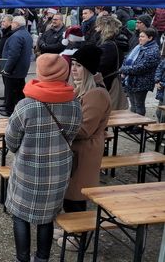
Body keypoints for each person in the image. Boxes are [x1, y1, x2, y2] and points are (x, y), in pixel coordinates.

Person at [5, 53, 82, 262]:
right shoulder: (74, 104)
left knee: (20, 215)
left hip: (27, 171)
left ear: (40, 72)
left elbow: (11, 141)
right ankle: (42, 259)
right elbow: (73, 134)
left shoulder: (26, 105)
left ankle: (23, 259)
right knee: (47, 217)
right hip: (58, 172)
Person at [56, 45, 112, 250]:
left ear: (88, 69)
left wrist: (58, 124)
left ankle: (78, 236)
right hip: (77, 150)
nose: (74, 69)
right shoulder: (84, 88)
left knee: (77, 194)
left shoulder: (96, 93)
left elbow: (85, 129)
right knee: (69, 191)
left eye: (79, 66)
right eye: (73, 64)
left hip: (85, 151)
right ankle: (69, 227)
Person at [120, 27, 161, 121]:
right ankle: (131, 123)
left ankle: (138, 125)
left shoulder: (153, 51)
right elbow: (127, 58)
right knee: (133, 104)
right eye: (139, 36)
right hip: (131, 80)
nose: (139, 38)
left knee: (139, 105)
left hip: (141, 82)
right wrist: (124, 68)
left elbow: (142, 67)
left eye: (142, 36)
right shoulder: (139, 47)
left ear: (150, 38)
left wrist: (124, 69)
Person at [0, 16, 33, 116]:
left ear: (17, 24)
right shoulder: (26, 34)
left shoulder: (16, 36)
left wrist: (7, 69)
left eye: (13, 23)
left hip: (14, 69)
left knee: (12, 90)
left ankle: (9, 110)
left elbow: (13, 55)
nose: (11, 25)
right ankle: (19, 109)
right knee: (19, 91)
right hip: (21, 68)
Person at [155, 57, 165, 122]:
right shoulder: (164, 61)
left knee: (163, 114)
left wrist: (162, 83)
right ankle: (160, 129)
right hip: (162, 89)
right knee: (158, 112)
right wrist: (157, 81)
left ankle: (162, 130)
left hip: (163, 85)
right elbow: (159, 69)